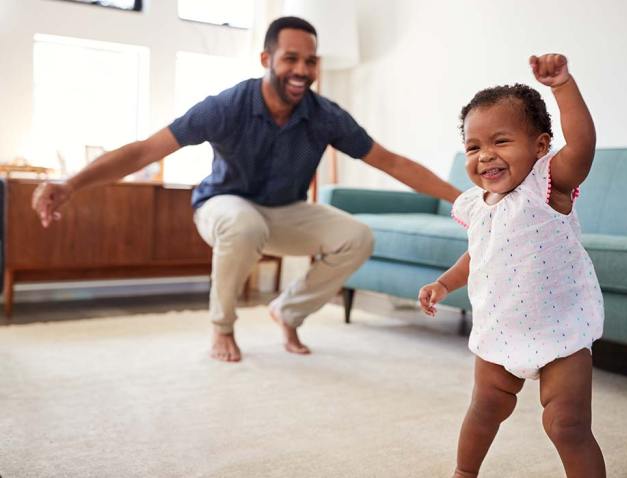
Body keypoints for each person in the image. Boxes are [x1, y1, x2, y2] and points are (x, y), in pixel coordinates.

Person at [32, 16, 461, 363]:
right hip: (222, 206)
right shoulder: (227, 106)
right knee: (242, 224)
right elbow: (145, 150)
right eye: (291, 58)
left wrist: (460, 198)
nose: (302, 71)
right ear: (266, 57)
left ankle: (287, 311)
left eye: (310, 62)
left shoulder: (324, 115)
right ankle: (222, 326)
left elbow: (390, 161)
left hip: (285, 210)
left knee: (358, 236)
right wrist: (71, 184)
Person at [418, 54, 605, 477]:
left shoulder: (547, 186)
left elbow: (582, 147)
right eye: (473, 146)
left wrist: (562, 87)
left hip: (560, 328)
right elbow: (480, 253)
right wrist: (445, 284)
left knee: (566, 425)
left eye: (501, 142)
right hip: (500, 326)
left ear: (540, 147)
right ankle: (464, 473)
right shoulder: (475, 205)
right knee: (485, 409)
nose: (485, 156)